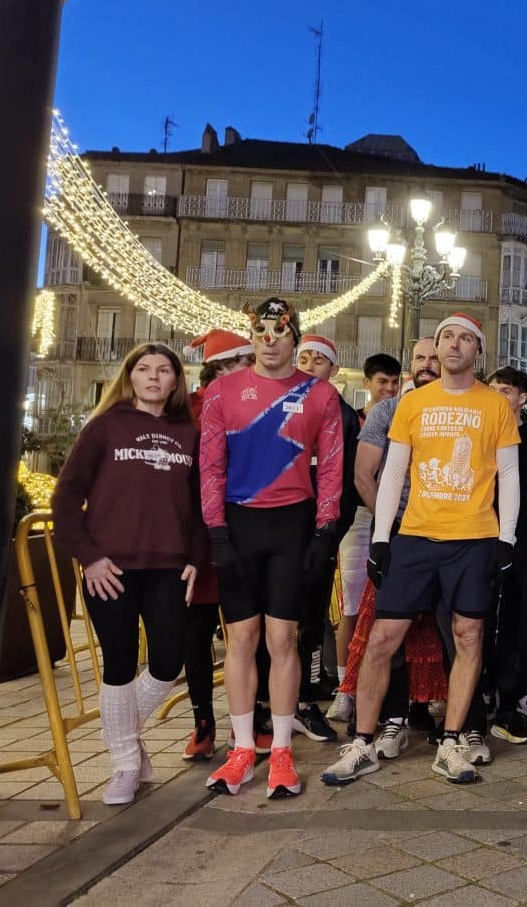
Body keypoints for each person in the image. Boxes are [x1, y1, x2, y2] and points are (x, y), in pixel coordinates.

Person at [322, 312, 519, 787]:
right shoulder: (412, 404)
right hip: (415, 536)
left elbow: (510, 474)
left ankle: (451, 741)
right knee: (383, 637)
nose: (454, 345)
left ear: (477, 350)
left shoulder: (495, 406)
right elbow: (392, 473)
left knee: (468, 635)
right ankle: (363, 742)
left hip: (473, 537)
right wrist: (383, 536)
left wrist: (506, 538)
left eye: (464, 338)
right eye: (446, 337)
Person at [200, 297, 344, 799]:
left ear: (294, 338)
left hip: (292, 526)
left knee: (282, 641)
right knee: (240, 641)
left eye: (279, 332)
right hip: (238, 524)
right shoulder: (222, 391)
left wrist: (325, 530)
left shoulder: (321, 395)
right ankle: (242, 750)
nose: (269, 340)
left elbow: (330, 467)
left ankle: (281, 751)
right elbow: (211, 467)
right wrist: (216, 531)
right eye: (261, 331)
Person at [52, 343, 206, 804]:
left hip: (169, 567)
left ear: (177, 381)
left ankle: (125, 736)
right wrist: (89, 557)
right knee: (118, 664)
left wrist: (196, 558)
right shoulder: (105, 427)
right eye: (144, 369)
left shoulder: (189, 434)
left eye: (164, 370)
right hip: (111, 568)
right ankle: (123, 762)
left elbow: (200, 507)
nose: (154, 377)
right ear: (130, 377)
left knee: (166, 664)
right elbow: (65, 499)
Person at [180, 329, 254, 761]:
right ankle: (202, 721)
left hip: (247, 529)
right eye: (221, 367)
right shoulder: (191, 408)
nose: (230, 374)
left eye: (237, 364)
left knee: (249, 631)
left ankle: (249, 719)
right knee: (197, 633)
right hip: (200, 537)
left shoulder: (260, 404)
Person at [292, 334, 361, 742]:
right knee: (273, 622)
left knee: (311, 620)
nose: (310, 364)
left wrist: (332, 531)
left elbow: (350, 482)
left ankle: (305, 701)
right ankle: (267, 705)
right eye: (304, 357)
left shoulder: (345, 416)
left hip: (321, 535)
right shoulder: (272, 407)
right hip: (276, 533)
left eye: (320, 360)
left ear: (334, 370)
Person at [333, 352, 401, 701]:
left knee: (392, 608)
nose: (389, 388)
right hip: (361, 519)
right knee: (353, 604)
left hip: (398, 520)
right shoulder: (354, 421)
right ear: (367, 383)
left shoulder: (405, 415)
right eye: (382, 382)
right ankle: (345, 688)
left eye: (394, 382)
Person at [487, 366, 527, 746]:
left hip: (523, 546)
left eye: (505, 391)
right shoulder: (478, 434)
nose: (497, 397)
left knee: (522, 627)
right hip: (478, 541)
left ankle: (510, 703)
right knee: (479, 625)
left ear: (522, 397)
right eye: (492, 390)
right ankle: (479, 699)